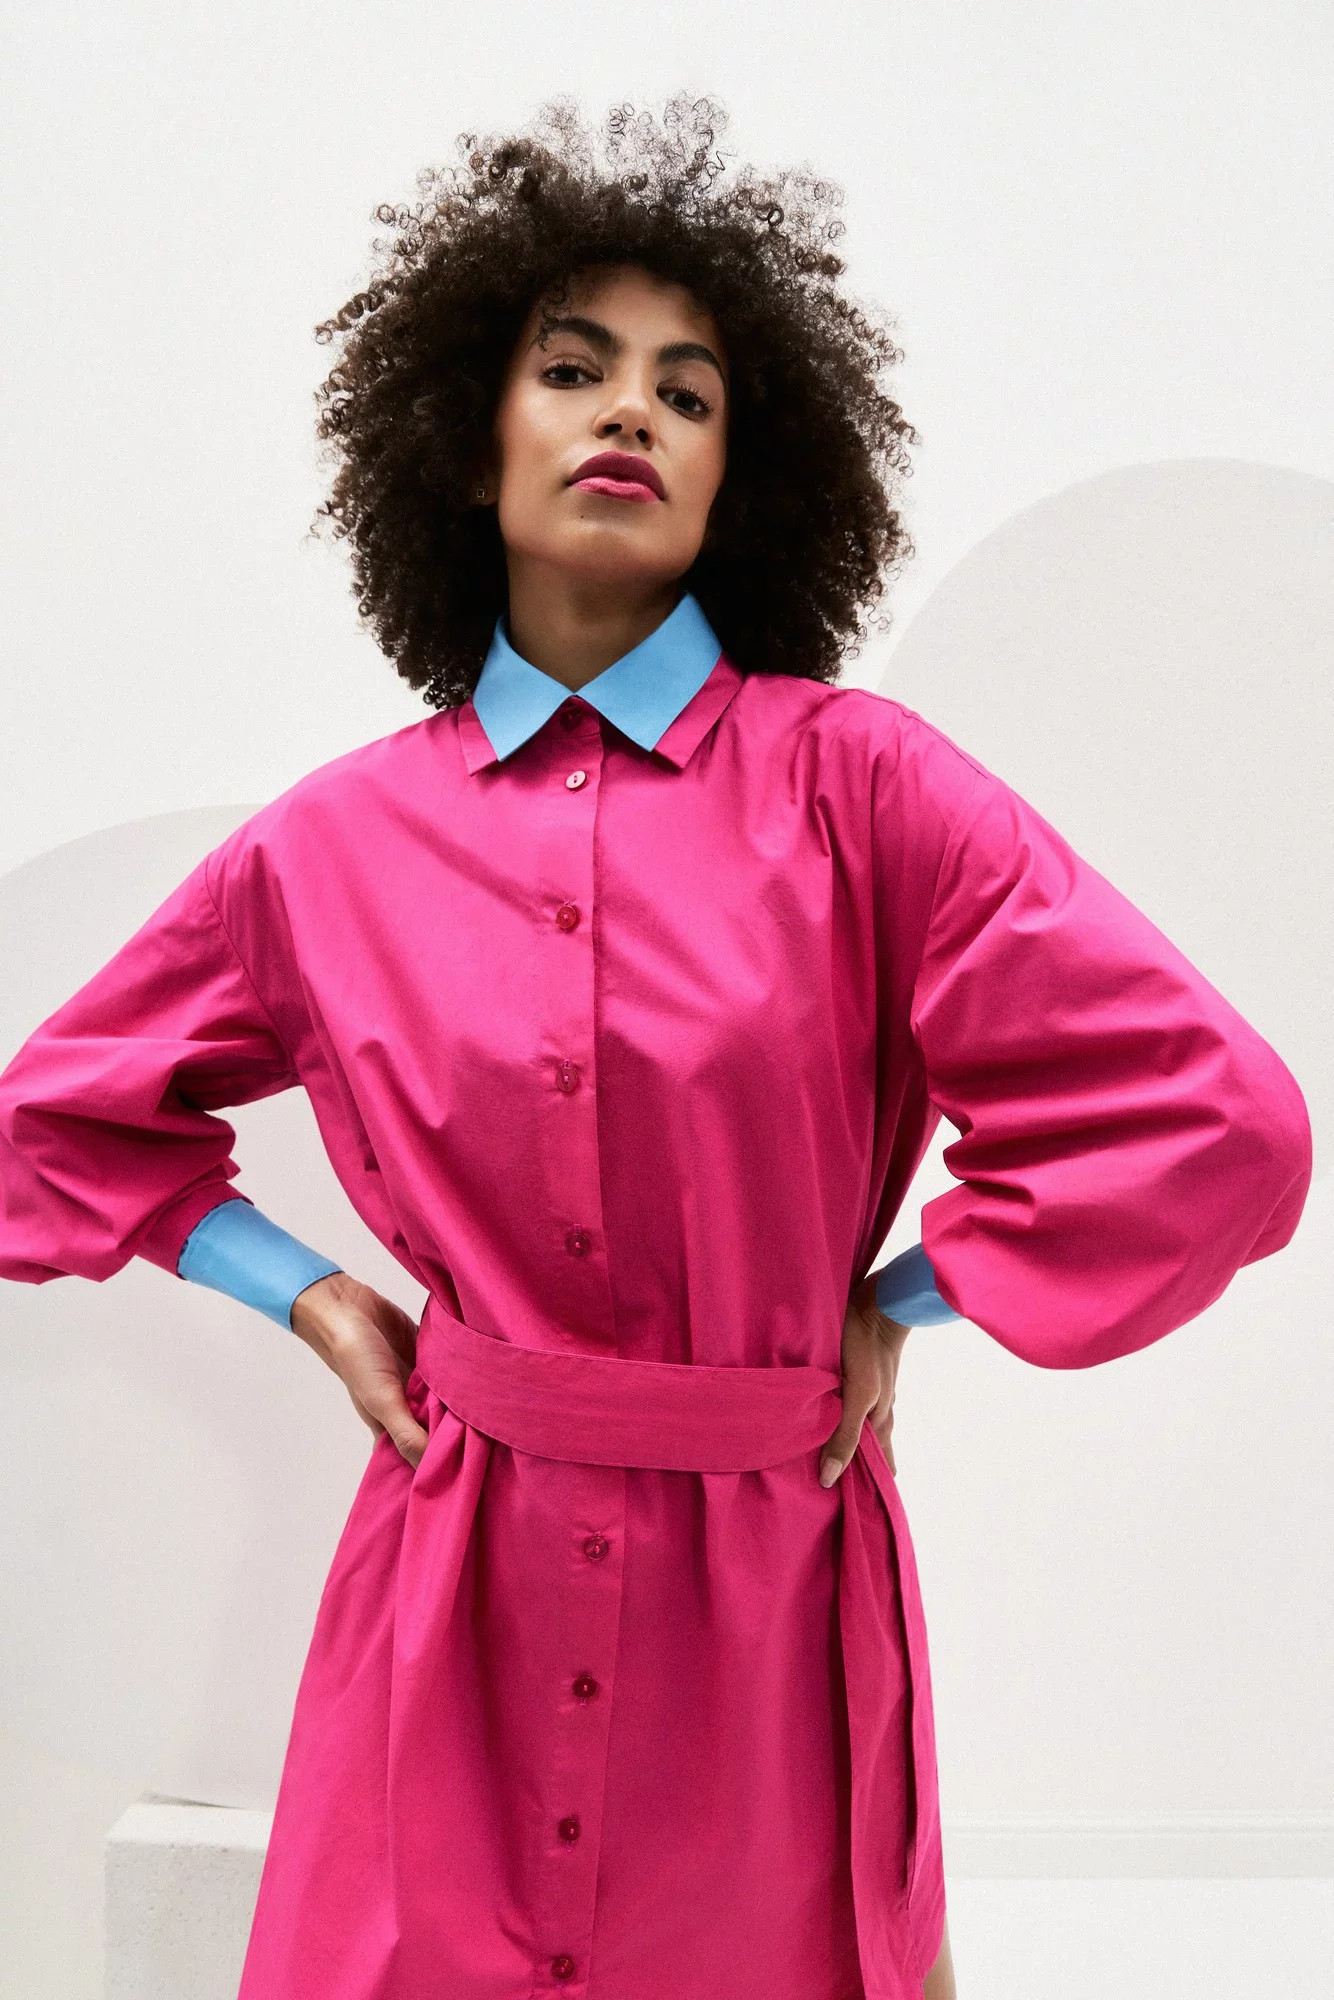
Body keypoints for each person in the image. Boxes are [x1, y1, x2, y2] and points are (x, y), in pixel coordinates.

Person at [0, 95, 1311, 2000]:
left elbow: (1214, 1123)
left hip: (767, 1605)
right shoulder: (330, 844)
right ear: (467, 440)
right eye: (573, 369)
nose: (630, 411)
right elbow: (51, 1121)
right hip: (448, 1593)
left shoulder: (865, 791)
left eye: (687, 393)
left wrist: (907, 1295)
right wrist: (309, 1296)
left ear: (737, 480)